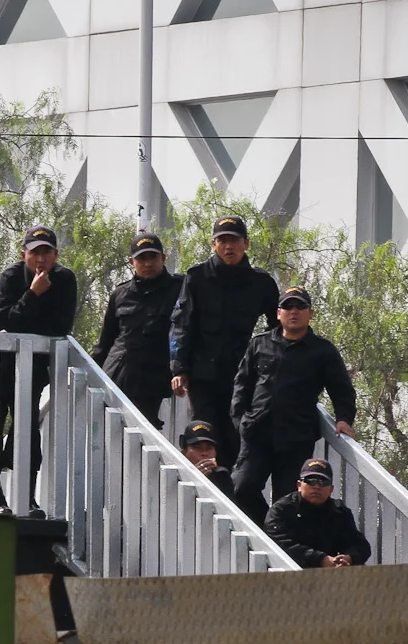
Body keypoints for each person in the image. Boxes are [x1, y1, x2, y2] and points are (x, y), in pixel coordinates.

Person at [0, 224, 77, 515]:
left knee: (27, 430)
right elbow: (5, 320)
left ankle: (27, 500)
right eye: (34, 253)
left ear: (55, 254)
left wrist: (22, 318)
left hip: (30, 367)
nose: (40, 259)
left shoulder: (65, 280)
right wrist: (32, 294)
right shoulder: (11, 276)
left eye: (46, 253)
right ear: (24, 254)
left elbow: (60, 327)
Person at [230, 285, 356, 519]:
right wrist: (240, 421)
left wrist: (344, 419)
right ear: (279, 313)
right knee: (241, 487)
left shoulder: (323, 350)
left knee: (287, 500)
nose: (294, 311)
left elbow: (342, 389)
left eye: (300, 306)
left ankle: (276, 537)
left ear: (311, 313)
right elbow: (242, 386)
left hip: (296, 437)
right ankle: (267, 528)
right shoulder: (259, 343)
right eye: (288, 306)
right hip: (257, 432)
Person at [169, 214, 278, 473]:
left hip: (242, 375)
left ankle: (230, 492)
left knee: (235, 434)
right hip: (202, 373)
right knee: (205, 433)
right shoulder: (197, 277)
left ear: (246, 244)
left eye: (234, 240)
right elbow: (181, 323)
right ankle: (204, 488)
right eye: (222, 241)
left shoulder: (261, 283)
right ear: (213, 244)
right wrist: (178, 368)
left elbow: (278, 329)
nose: (228, 246)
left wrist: (270, 369)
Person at [92, 230, 182, 428]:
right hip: (119, 374)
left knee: (144, 434)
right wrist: (92, 372)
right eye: (141, 258)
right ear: (131, 262)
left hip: (153, 378)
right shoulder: (120, 294)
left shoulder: (180, 288)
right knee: (111, 431)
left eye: (153, 257)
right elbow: (106, 340)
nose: (148, 263)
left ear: (164, 258)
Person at [265, 458, 372, 568]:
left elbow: (360, 545)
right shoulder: (282, 509)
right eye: (310, 481)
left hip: (332, 575)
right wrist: (320, 559)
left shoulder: (339, 511)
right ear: (299, 485)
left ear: (331, 489)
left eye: (323, 482)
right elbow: (281, 544)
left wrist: (348, 557)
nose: (316, 486)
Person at [179, 419, 236, 500]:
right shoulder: (177, 476)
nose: (204, 453)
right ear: (184, 453)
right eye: (197, 448)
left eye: (209, 448)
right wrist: (195, 478)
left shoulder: (221, 475)